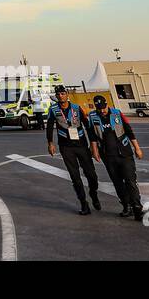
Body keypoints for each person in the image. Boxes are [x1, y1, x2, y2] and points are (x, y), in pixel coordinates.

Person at [46, 86, 101, 215]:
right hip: (66, 147)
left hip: (81, 145)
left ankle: (93, 193)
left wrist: (94, 145)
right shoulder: (53, 109)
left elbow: (87, 126)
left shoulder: (76, 108)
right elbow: (49, 126)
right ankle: (83, 203)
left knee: (91, 175)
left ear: (67, 95)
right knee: (75, 177)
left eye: (63, 93)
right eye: (58, 94)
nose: (60, 96)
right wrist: (50, 143)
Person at [88, 94, 144, 218]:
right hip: (108, 155)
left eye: (103, 107)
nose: (102, 111)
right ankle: (126, 205)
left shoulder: (117, 113)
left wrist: (137, 148)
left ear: (107, 104)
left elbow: (129, 131)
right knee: (117, 182)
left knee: (130, 180)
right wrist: (95, 151)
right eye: (99, 108)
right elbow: (92, 135)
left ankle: (137, 207)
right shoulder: (92, 117)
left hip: (124, 153)